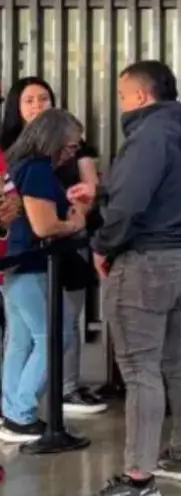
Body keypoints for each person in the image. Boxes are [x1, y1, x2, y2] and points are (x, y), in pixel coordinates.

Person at [73, 61, 181, 496]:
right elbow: (165, 192)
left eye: (120, 95)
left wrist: (101, 243)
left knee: (139, 369)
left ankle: (137, 480)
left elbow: (133, 202)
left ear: (139, 96)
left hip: (147, 262)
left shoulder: (150, 135)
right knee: (180, 356)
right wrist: (102, 195)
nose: (120, 104)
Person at [0, 76, 106, 416]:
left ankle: (12, 410)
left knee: (20, 341)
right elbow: (43, 225)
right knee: (54, 338)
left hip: (17, 264)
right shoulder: (37, 168)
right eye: (71, 148)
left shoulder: (21, 163)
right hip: (30, 264)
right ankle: (22, 411)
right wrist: (74, 221)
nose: (73, 154)